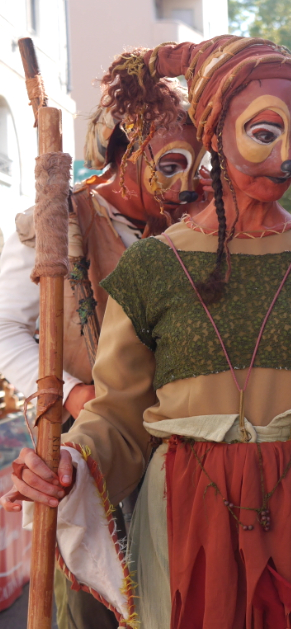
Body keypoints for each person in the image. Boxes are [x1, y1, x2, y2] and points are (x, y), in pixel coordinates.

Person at [2, 36, 291, 629]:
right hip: (186, 517)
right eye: (265, 133)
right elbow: (118, 419)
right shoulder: (153, 266)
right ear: (214, 132)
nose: (288, 155)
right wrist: (73, 463)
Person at [0, 80, 206, 629]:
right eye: (168, 164)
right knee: (100, 604)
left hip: (188, 461)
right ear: (123, 153)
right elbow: (3, 329)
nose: (183, 183)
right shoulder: (56, 221)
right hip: (92, 451)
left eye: (196, 162)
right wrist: (75, 395)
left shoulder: (199, 224)